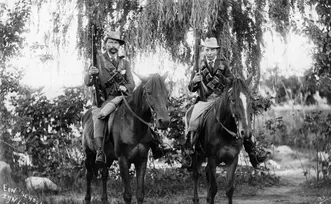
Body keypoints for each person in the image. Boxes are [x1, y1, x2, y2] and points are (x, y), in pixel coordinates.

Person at [181, 37, 269, 169]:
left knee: (241, 117)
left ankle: (253, 151)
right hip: (205, 101)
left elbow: (231, 81)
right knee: (192, 120)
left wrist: (227, 82)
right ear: (204, 51)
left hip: (221, 101)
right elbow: (191, 88)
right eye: (207, 50)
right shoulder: (198, 66)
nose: (210, 52)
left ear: (216, 51)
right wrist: (194, 81)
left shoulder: (224, 65)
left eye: (212, 50)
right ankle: (190, 151)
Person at [84, 31, 168, 164]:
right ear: (105, 45)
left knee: (143, 114)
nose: (113, 45)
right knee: (100, 118)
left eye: (116, 43)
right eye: (110, 42)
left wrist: (126, 88)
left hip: (124, 97)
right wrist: (90, 74)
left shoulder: (125, 63)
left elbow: (131, 83)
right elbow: (88, 82)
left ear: (119, 46)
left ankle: (156, 143)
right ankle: (100, 151)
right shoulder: (98, 61)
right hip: (106, 99)